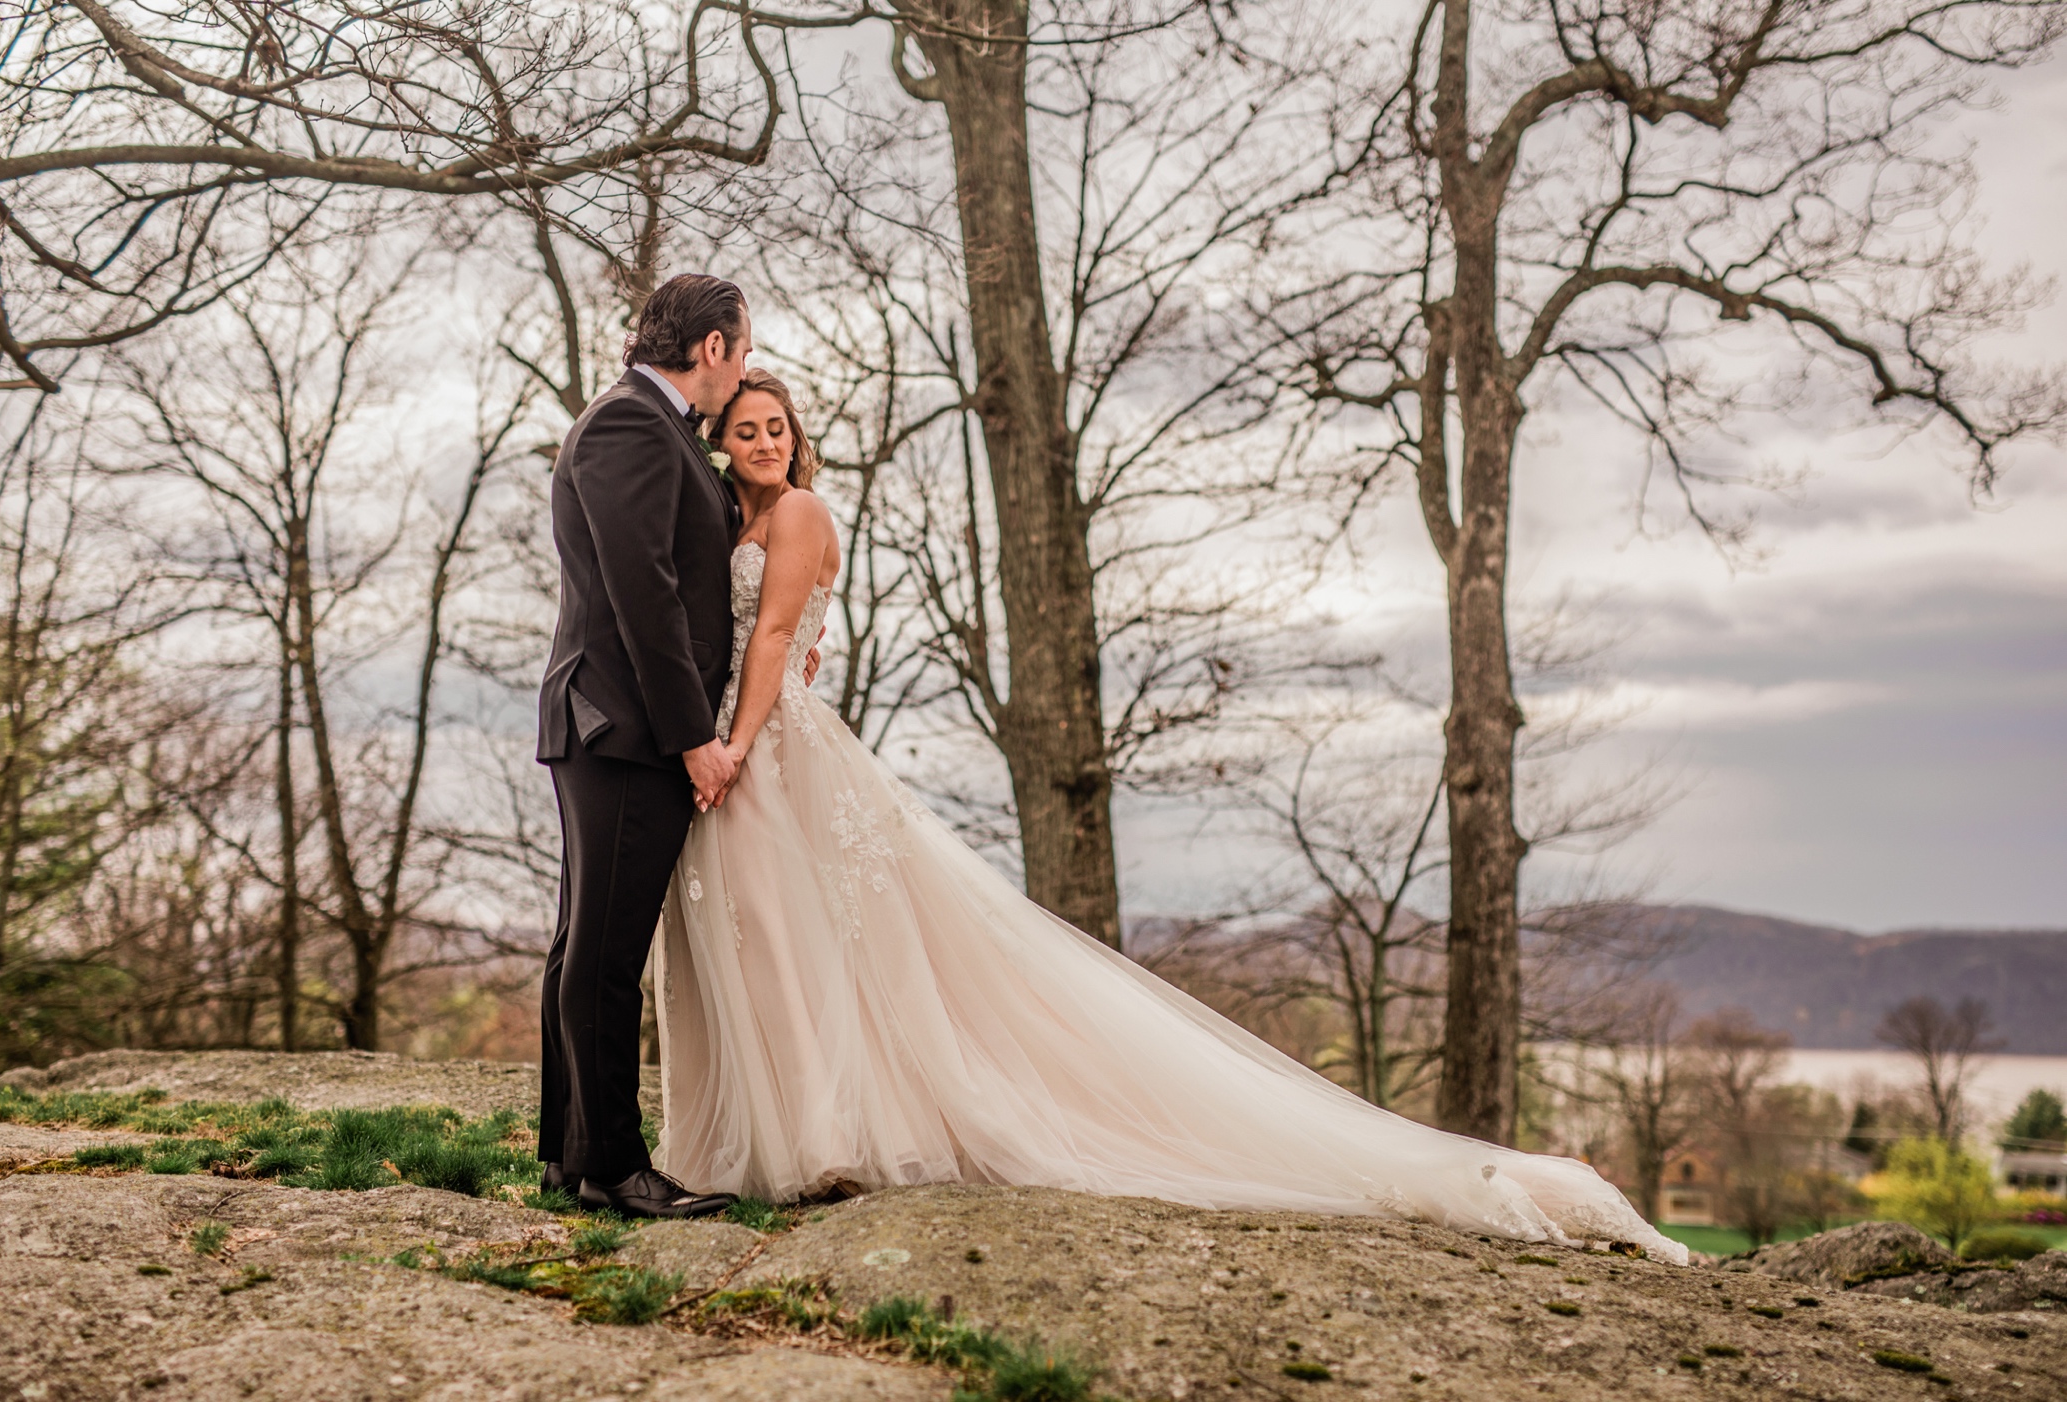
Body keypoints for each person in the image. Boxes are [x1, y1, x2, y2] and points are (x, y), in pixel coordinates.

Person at [647, 366, 1689, 1263]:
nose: (768, 441)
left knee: (814, 940)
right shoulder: (742, 516)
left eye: (778, 427)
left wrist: (734, 745)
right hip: (756, 732)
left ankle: (822, 1134)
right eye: (748, 430)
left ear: (797, 438)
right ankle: (788, 1130)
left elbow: (779, 635)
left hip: (770, 741)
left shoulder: (799, 513)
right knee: (784, 940)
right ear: (723, 443)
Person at [533, 274, 751, 1220]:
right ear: (710, 349)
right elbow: (644, 596)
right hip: (623, 727)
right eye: (740, 351)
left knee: (585, 944)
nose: (742, 372)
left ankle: (571, 1155)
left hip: (611, 724)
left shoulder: (641, 425)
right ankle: (616, 1168)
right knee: (606, 954)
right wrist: (694, 737)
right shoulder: (631, 424)